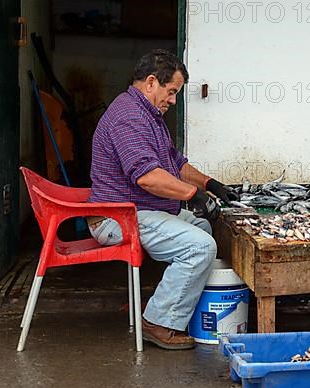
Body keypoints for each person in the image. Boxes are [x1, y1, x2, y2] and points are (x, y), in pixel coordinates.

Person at [87, 49, 239, 350]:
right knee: (200, 246)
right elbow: (146, 176)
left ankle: (167, 304)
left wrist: (209, 184)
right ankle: (157, 321)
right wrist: (192, 194)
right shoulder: (128, 116)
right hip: (118, 218)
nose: (173, 101)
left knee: (203, 228)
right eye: (171, 92)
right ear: (151, 82)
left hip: (141, 212)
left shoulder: (149, 114)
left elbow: (174, 161)